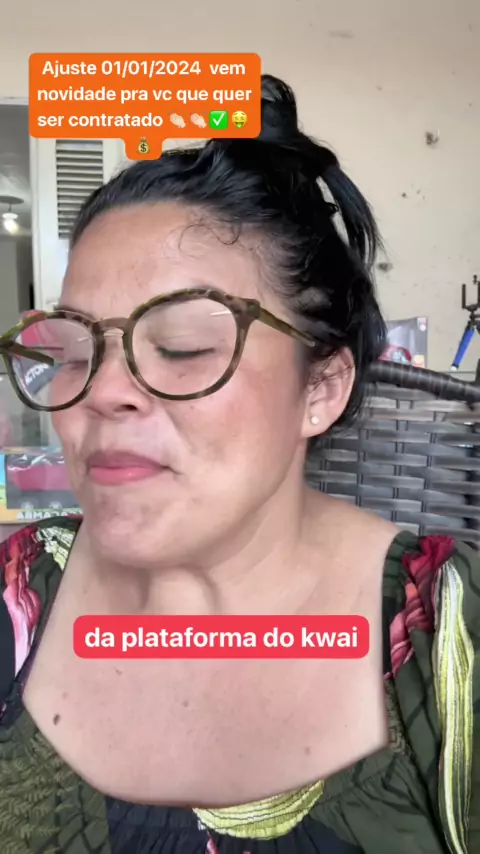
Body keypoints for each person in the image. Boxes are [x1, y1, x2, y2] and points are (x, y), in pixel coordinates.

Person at [0, 75, 477, 854]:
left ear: (319, 389)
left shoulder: (450, 630)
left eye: (183, 346)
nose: (103, 392)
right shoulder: (18, 587)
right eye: (76, 351)